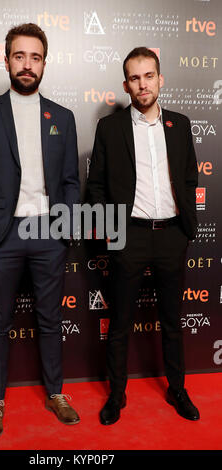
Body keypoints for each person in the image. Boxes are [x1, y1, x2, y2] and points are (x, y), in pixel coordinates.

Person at [0, 23, 80, 439]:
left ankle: (56, 393)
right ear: (7, 59)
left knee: (50, 320)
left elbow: (71, 181)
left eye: (35, 57)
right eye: (20, 56)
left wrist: (65, 228)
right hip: (2, 235)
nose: (27, 64)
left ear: (44, 63)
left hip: (49, 235)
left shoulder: (63, 117)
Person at [86, 47, 200, 425]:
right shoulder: (111, 127)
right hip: (129, 237)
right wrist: (112, 234)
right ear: (126, 85)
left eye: (149, 76)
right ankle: (116, 396)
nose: (143, 84)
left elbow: (188, 177)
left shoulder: (180, 124)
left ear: (160, 79)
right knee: (119, 323)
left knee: (172, 320)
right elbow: (97, 186)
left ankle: (177, 389)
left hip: (171, 236)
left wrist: (185, 227)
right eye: (135, 78)